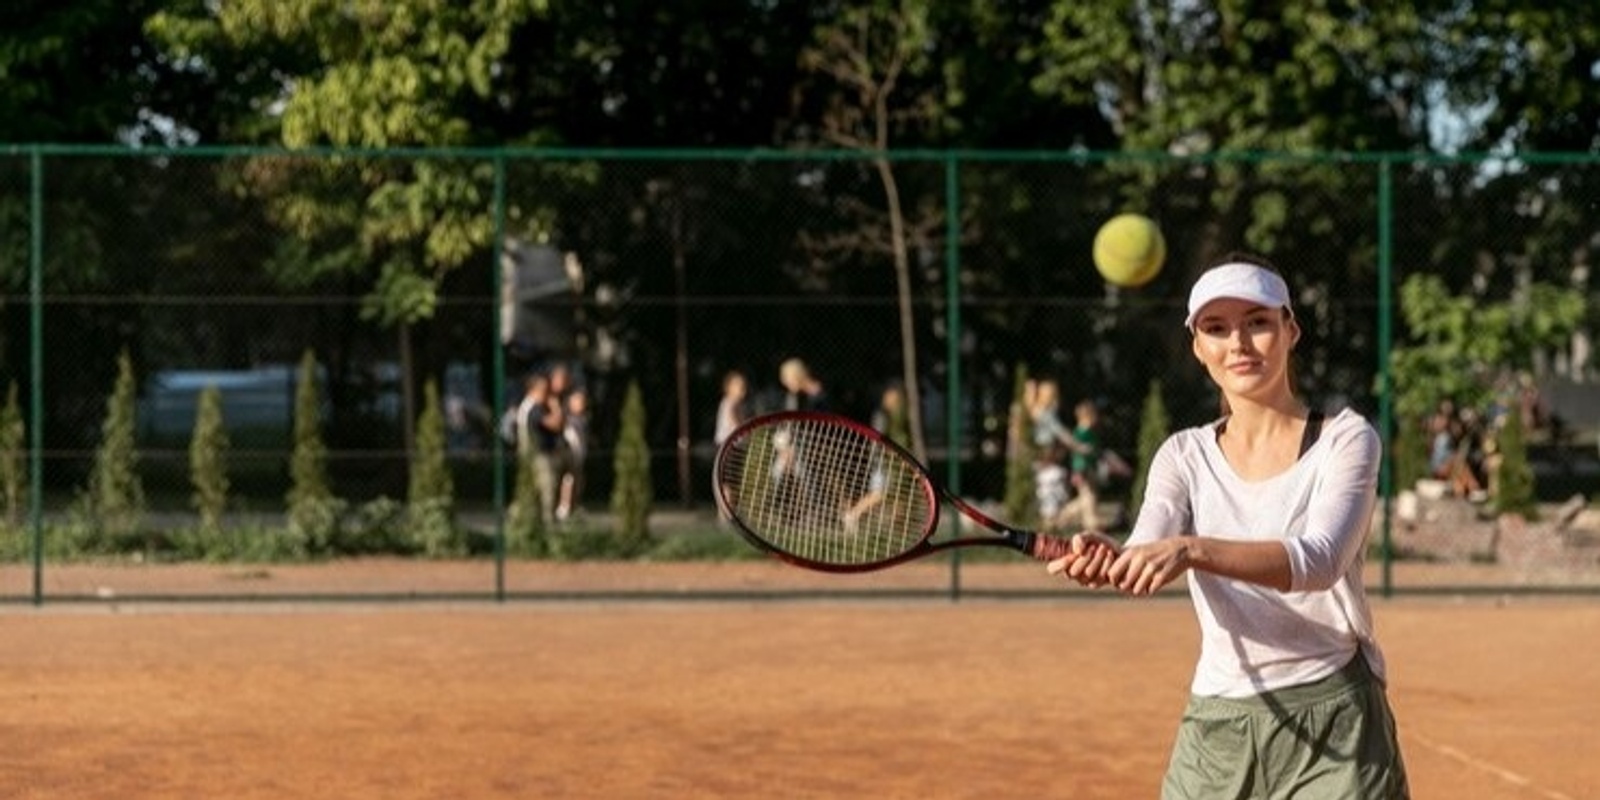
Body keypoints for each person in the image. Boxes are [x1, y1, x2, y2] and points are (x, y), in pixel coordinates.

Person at [1049, 254, 1410, 799]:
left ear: (1291, 331)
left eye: (1257, 322)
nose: (1238, 344)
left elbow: (1320, 559)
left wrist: (1191, 550)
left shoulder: (1346, 439)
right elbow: (1150, 548)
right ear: (1198, 348)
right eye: (1216, 329)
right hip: (1217, 726)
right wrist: (1112, 559)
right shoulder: (1183, 454)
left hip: (1335, 721)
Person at [1050, 399, 1103, 532]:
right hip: (1082, 470)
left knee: (1088, 497)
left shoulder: (1089, 433)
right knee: (1088, 496)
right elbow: (1078, 453)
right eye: (1094, 416)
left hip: (1089, 469)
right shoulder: (1080, 434)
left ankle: (1063, 516)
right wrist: (1079, 469)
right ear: (1087, 417)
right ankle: (1091, 524)